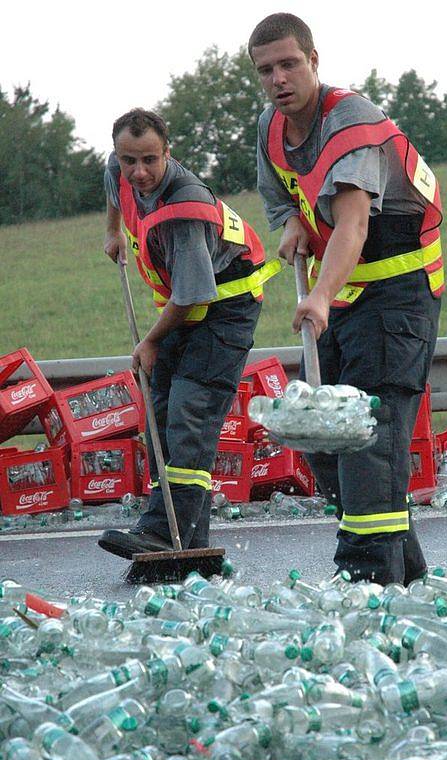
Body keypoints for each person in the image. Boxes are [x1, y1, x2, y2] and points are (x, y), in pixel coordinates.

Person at [249, 14, 444, 586]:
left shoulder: (352, 125)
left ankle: (364, 584)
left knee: (367, 438)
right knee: (325, 434)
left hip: (397, 293)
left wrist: (319, 298)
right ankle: (406, 579)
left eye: (289, 64)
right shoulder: (271, 128)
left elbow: (354, 227)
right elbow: (281, 195)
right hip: (347, 296)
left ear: (314, 60)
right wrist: (290, 225)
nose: (279, 78)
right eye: (266, 70)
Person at [98, 108, 280, 561]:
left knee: (189, 414)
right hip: (184, 306)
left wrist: (151, 341)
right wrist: (114, 232)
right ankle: (188, 541)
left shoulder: (184, 207)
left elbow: (192, 292)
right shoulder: (119, 168)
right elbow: (113, 186)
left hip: (225, 307)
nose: (138, 172)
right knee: (160, 413)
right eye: (129, 160)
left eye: (149, 161)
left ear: (168, 153)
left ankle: (162, 531)